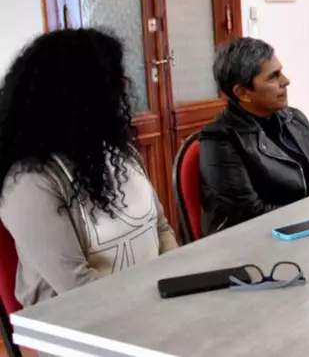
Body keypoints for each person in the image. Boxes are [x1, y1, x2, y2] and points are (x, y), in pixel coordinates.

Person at [0, 29, 177, 307]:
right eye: (112, 81)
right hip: (79, 321)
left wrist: (176, 283)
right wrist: (154, 307)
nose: (124, 88)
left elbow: (161, 228)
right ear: (75, 97)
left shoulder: (121, 155)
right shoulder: (29, 183)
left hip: (152, 304)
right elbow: (78, 286)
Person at [200, 37, 309, 235]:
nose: (286, 81)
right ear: (243, 93)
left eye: (281, 72)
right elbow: (249, 216)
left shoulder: (294, 119)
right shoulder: (220, 139)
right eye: (273, 77)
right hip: (261, 241)